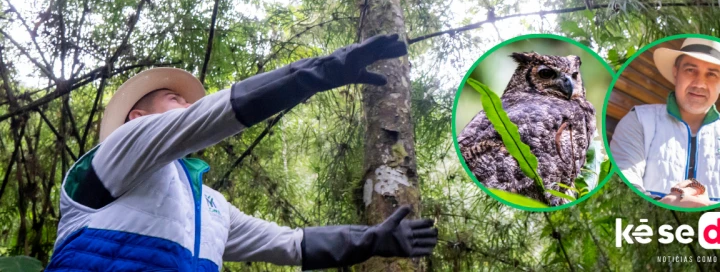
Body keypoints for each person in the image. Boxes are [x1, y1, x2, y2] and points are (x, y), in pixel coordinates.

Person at [45, 34, 437, 271]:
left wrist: (372, 240)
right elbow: (207, 116)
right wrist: (322, 70)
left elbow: (289, 243)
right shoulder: (119, 152)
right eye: (172, 97)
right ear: (137, 116)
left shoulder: (214, 207)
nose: (186, 103)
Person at [610, 37, 720, 208]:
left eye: (711, 74)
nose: (700, 83)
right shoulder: (639, 121)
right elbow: (623, 183)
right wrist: (663, 205)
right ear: (676, 72)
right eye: (690, 70)